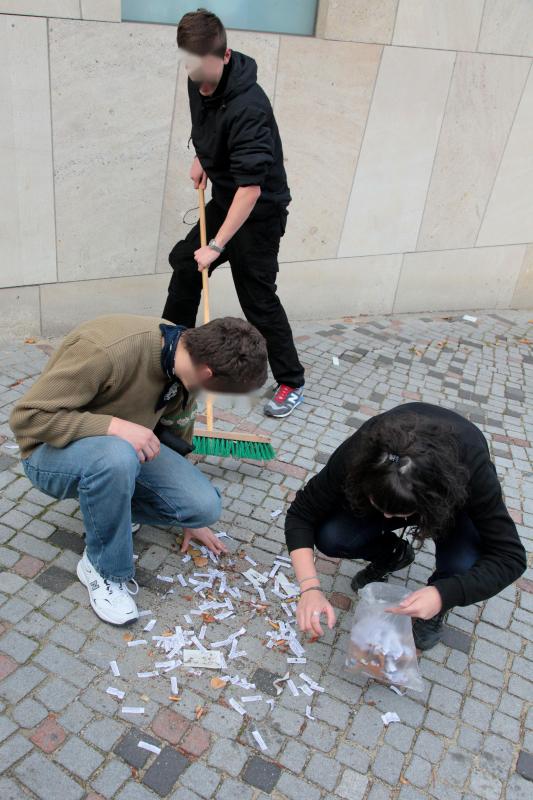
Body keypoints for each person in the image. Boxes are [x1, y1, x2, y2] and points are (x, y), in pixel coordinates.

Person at [10, 314, 267, 625]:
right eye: (219, 392)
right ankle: (101, 568)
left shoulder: (187, 359)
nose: (214, 399)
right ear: (206, 372)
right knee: (116, 458)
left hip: (118, 454)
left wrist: (183, 514)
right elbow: (28, 419)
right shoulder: (103, 350)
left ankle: (110, 506)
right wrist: (114, 426)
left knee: (202, 506)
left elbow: (175, 432)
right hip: (47, 453)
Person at [285, 403, 527, 650]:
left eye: (399, 512)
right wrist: (309, 587)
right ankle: (393, 554)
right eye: (379, 505)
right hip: (400, 488)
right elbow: (301, 513)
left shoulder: (473, 469)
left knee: (462, 564)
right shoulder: (360, 452)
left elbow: (511, 557)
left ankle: (434, 609)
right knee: (332, 536)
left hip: (452, 497)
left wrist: (444, 593)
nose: (388, 517)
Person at [161, 8, 305, 418]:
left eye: (204, 69)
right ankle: (172, 356)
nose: (198, 82)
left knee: (257, 300)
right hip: (227, 199)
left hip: (258, 214)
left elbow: (251, 189)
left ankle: (292, 380)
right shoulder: (198, 77)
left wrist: (218, 244)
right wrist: (203, 157)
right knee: (185, 267)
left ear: (224, 57)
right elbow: (210, 125)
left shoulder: (249, 107)